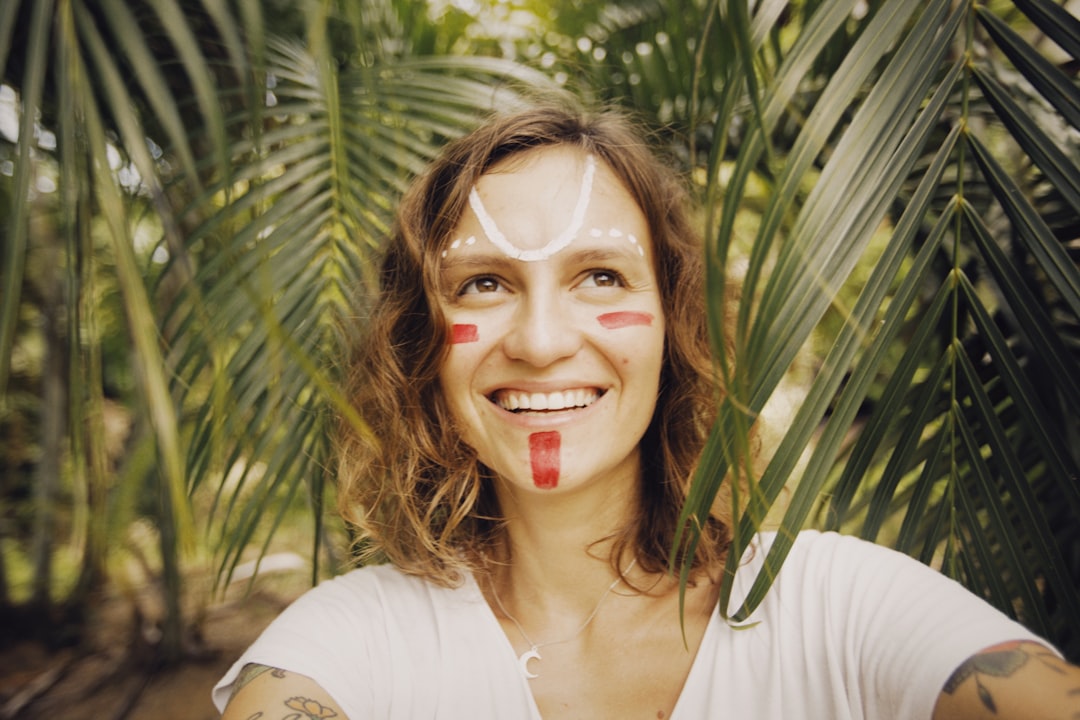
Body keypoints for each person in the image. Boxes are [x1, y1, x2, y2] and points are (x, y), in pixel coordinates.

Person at [214, 102, 1078, 719]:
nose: (543, 340)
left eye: (600, 276)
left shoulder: (836, 606)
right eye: (485, 283)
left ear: (676, 325)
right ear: (421, 346)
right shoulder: (351, 644)